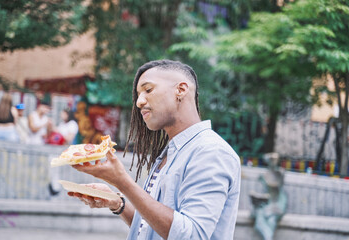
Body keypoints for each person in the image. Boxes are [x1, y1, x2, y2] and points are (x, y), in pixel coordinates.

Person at [69, 60, 241, 240]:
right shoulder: (171, 152)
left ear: (181, 90)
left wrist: (123, 182)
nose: (139, 102)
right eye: (138, 94)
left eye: (148, 90)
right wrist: (118, 203)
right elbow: (150, 228)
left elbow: (192, 235)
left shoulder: (210, 151)